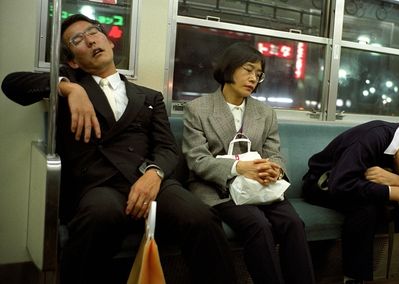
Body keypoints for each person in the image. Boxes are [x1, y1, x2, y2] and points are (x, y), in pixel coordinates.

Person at [1, 14, 236, 284]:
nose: (89, 40)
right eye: (77, 40)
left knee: (201, 218)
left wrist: (154, 174)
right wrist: (69, 89)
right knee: (98, 217)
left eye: (93, 32)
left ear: (110, 43)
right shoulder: (68, 81)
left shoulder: (149, 97)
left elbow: (167, 147)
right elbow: (11, 84)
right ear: (74, 60)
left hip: (149, 177)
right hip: (100, 185)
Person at [182, 42, 316, 284]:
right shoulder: (197, 109)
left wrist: (273, 170)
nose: (254, 78)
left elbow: (274, 153)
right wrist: (238, 168)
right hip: (218, 188)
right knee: (258, 225)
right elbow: (197, 159)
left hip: (261, 185)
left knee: (293, 223)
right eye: (248, 70)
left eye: (258, 74)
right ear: (228, 68)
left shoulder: (265, 112)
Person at [302, 120, 399, 284]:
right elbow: (342, 184)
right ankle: (353, 279)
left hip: (365, 183)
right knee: (366, 206)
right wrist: (397, 193)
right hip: (326, 182)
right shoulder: (370, 137)